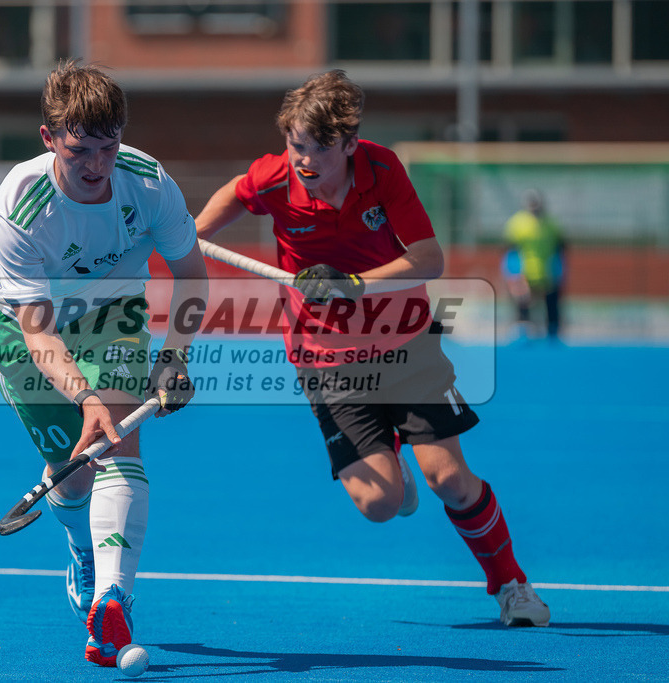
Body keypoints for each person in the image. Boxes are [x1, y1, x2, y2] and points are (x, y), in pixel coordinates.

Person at [194, 70, 550, 627]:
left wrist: (354, 284)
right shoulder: (275, 178)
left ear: (350, 144)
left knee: (452, 481)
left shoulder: (382, 170)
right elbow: (237, 192)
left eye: (317, 148)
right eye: (295, 146)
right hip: (326, 358)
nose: (303, 161)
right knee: (380, 504)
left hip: (405, 343)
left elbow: (429, 258)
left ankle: (510, 584)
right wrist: (191, 235)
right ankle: (391, 468)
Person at [0, 61, 208, 665]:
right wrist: (82, 397)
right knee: (72, 469)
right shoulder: (20, 206)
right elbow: (37, 330)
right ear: (48, 138)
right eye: (80, 149)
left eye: (108, 148)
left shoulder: (149, 183)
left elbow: (191, 275)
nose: (96, 166)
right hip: (27, 328)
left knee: (114, 443)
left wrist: (175, 358)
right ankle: (80, 546)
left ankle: (113, 603)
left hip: (113, 315)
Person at [502, 189, 566, 340]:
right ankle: (522, 335)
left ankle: (553, 336)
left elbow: (560, 251)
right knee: (522, 307)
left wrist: (558, 273)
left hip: (547, 276)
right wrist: (514, 275)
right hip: (524, 276)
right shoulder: (516, 224)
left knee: (552, 309)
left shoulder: (552, 224)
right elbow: (510, 252)